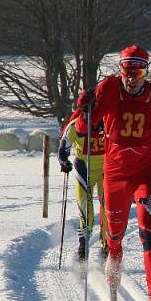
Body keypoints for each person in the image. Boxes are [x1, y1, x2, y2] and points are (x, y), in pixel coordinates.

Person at [76, 44, 151, 301]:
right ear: (120, 70)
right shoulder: (108, 90)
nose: (132, 78)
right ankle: (114, 265)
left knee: (149, 232)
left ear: (146, 72)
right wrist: (83, 107)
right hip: (115, 173)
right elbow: (83, 130)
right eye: (127, 71)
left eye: (139, 72)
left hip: (146, 171)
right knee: (115, 236)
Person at [58, 107, 108, 260]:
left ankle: (107, 243)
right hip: (84, 167)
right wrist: (64, 162)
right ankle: (83, 243)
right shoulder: (75, 125)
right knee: (85, 207)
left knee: (109, 206)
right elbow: (63, 147)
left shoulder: (110, 120)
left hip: (108, 167)